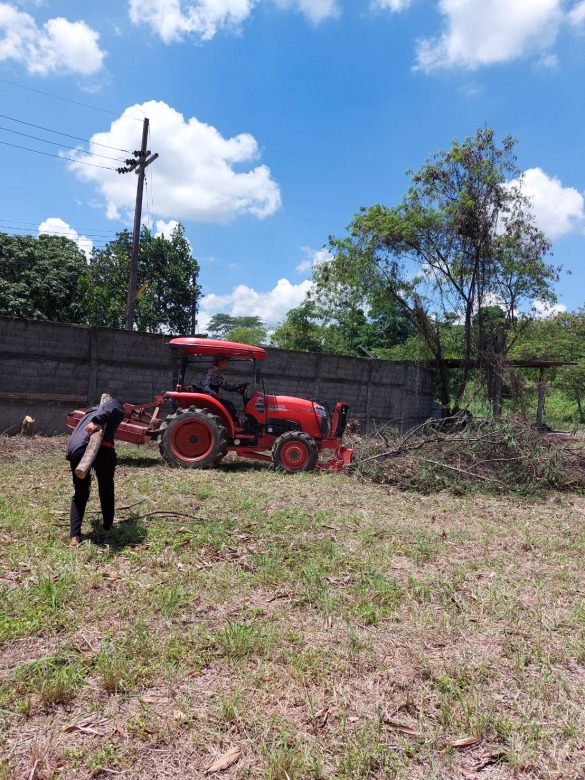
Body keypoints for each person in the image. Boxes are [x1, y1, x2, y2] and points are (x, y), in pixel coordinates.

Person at [66, 395, 125, 547]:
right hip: (102, 449)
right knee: (106, 488)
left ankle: (74, 536)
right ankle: (107, 525)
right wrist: (98, 420)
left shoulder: (85, 417)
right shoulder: (104, 410)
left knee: (80, 493)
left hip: (76, 451)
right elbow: (116, 406)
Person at [200, 356, 242, 422]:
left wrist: (238, 386)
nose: (227, 363)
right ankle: (230, 424)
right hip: (209, 397)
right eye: (225, 361)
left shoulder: (218, 372)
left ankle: (236, 423)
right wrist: (215, 394)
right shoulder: (211, 371)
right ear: (219, 361)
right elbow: (203, 386)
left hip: (213, 397)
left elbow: (225, 386)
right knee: (227, 406)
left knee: (230, 404)